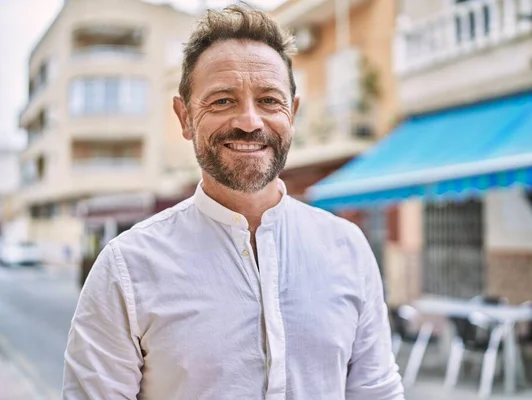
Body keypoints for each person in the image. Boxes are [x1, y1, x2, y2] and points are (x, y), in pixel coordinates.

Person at [62, 5, 404, 400]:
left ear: (292, 114)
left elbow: (376, 392)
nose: (249, 121)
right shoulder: (127, 268)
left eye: (269, 100)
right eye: (222, 101)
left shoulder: (348, 248)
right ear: (185, 116)